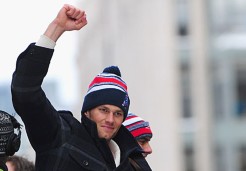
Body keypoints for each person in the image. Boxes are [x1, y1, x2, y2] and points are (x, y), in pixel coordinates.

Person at [11, 4, 151, 171]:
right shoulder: (62, 135)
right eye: (103, 110)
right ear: (87, 111)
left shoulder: (132, 162)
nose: (110, 119)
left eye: (118, 113)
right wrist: (57, 28)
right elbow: (25, 92)